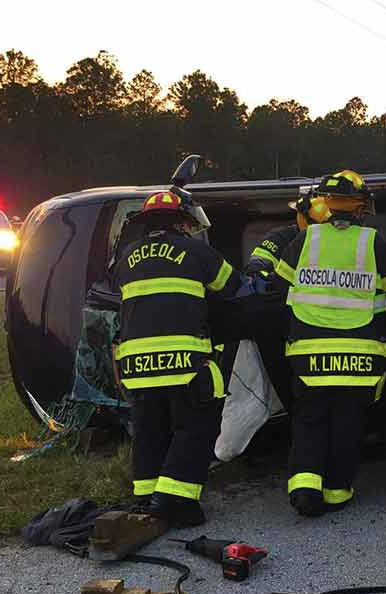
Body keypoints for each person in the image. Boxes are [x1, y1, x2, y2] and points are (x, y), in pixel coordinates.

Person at [274, 170, 386, 517]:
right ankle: (337, 491)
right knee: (348, 423)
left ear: (327, 203)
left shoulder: (304, 241)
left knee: (308, 420)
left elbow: (278, 287)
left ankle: (304, 487)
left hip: (308, 353)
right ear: (362, 207)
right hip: (359, 354)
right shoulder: (374, 243)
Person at [115, 189, 241, 526]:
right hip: (183, 362)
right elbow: (232, 287)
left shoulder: (127, 255)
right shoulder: (196, 250)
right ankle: (176, 503)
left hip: (137, 365)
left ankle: (145, 497)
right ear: (182, 224)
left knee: (149, 430)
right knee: (194, 428)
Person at [243, 196, 332, 413]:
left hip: (327, 326)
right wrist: (266, 276)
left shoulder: (338, 243)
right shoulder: (283, 237)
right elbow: (258, 265)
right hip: (287, 325)